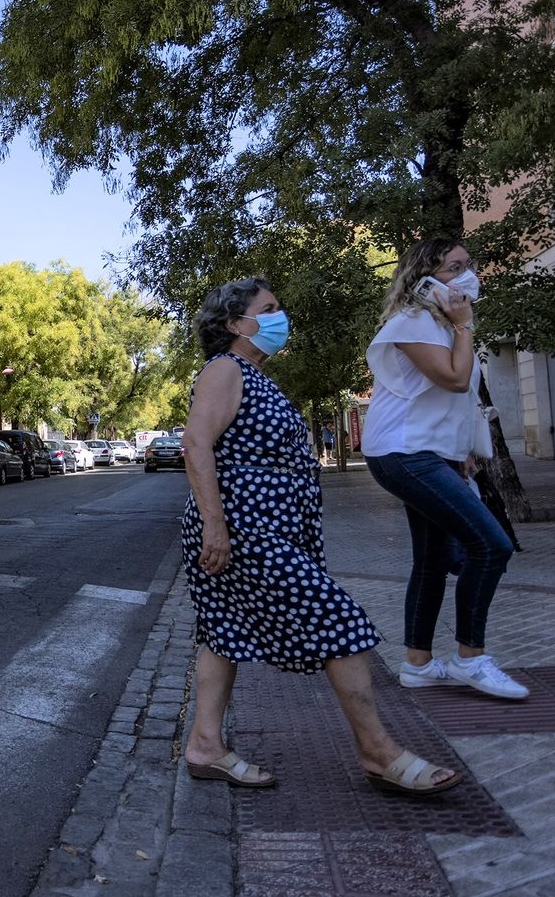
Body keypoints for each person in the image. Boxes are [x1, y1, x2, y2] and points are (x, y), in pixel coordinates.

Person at [181, 277, 461, 796]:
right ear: (236, 323)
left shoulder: (252, 375)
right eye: (268, 308)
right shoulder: (225, 370)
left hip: (262, 526)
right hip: (244, 528)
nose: (279, 316)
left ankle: (205, 745)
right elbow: (196, 443)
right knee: (339, 619)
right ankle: (378, 751)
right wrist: (215, 526)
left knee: (223, 629)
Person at [363, 239, 524, 700]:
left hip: (429, 452)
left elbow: (456, 401)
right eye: (455, 267)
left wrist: (462, 452)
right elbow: (453, 380)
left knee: (432, 559)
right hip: (402, 452)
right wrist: (464, 324)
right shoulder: (412, 322)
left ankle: (417, 664)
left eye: (468, 265)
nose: (467, 275)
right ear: (425, 279)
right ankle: (470, 658)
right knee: (491, 545)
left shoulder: (441, 326)